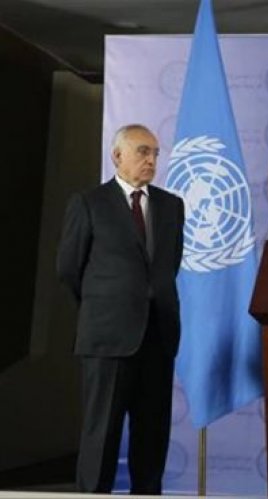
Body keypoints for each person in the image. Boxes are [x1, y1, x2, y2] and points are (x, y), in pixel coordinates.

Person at [57, 124, 185, 494]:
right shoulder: (89, 203)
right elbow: (68, 269)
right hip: (108, 338)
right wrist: (107, 305)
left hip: (158, 337)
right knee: (102, 436)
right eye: (143, 151)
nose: (151, 160)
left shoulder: (171, 206)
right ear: (117, 156)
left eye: (155, 153)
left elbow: (168, 266)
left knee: (152, 437)